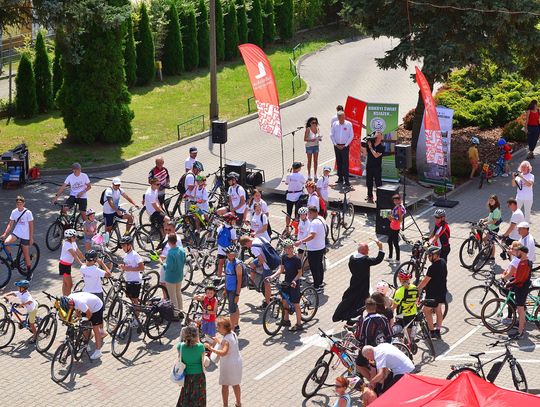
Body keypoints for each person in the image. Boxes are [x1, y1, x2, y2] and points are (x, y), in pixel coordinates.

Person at [333, 240, 384, 322]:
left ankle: (344, 315)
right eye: (367, 250)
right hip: (363, 286)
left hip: (354, 283)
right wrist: (380, 247)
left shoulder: (352, 258)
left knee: (350, 299)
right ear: (364, 251)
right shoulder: (365, 260)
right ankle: (356, 319)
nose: (368, 251)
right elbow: (378, 259)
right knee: (361, 303)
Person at [205, 317, 243, 407]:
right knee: (235, 384)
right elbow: (227, 346)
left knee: (224, 386)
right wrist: (218, 341)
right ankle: (238, 403)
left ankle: (225, 405)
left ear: (225, 328)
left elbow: (223, 352)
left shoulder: (226, 340)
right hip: (236, 362)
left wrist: (211, 349)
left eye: (219, 327)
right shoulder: (232, 334)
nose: (217, 328)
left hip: (229, 365)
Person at [268, 239, 304, 331]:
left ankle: (299, 324)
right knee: (284, 301)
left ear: (292, 247)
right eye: (286, 248)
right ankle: (286, 320)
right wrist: (272, 276)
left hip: (294, 283)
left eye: (290, 248)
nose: (288, 249)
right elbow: (281, 269)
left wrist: (294, 280)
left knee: (296, 304)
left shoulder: (297, 259)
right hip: (287, 282)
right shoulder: (284, 257)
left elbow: (300, 273)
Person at [354, 298, 392, 380]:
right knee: (382, 367)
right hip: (383, 348)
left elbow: (359, 337)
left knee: (358, 364)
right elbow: (389, 333)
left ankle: (372, 382)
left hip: (369, 350)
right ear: (375, 307)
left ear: (366, 308)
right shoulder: (383, 318)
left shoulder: (364, 320)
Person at [59, 292, 105, 359]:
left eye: (69, 308)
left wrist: (86, 321)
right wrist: (78, 315)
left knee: (95, 329)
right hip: (87, 306)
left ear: (70, 303)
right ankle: (86, 345)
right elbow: (76, 308)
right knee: (83, 327)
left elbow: (89, 314)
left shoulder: (80, 303)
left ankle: (98, 351)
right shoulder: (69, 299)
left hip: (96, 307)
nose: (70, 309)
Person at [417, 246, 448, 340]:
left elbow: (425, 281)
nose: (428, 257)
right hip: (442, 291)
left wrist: (417, 289)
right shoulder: (443, 262)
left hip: (432, 293)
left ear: (435, 255)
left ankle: (432, 332)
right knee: (438, 310)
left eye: (429, 255)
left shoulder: (432, 267)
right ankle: (438, 330)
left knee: (426, 311)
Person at [501, 244, 531, 339]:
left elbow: (519, 279)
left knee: (520, 310)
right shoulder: (528, 262)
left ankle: (520, 332)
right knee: (521, 310)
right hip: (524, 287)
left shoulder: (522, 264)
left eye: (517, 252)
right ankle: (522, 325)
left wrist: (509, 284)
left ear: (521, 252)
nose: (516, 253)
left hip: (521, 288)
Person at [294, 206, 327, 293]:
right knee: (319, 266)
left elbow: (312, 236)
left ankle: (317, 287)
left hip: (314, 249)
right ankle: (320, 283)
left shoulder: (314, 223)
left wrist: (301, 241)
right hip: (321, 246)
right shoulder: (321, 218)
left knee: (314, 268)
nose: (307, 215)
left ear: (312, 213)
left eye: (308, 213)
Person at [1, 196, 34, 277]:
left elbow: (31, 226)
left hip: (25, 234)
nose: (19, 205)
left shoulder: (28, 212)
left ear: (24, 203)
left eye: (21, 203)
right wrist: (5, 233)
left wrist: (31, 237)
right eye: (18, 203)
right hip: (17, 232)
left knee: (26, 254)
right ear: (16, 204)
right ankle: (10, 258)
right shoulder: (14, 212)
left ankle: (29, 273)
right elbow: (10, 224)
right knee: (6, 242)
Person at [240, 235, 275, 307]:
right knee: (252, 264)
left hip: (268, 264)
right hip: (273, 256)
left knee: (266, 283)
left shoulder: (253, 247)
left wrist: (260, 265)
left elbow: (261, 260)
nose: (248, 248)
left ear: (247, 243)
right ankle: (252, 282)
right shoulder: (260, 237)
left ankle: (267, 303)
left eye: (246, 246)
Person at [176, 326, 206, 407]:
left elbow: (180, 358)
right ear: (196, 335)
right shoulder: (200, 347)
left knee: (186, 395)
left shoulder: (180, 346)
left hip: (186, 375)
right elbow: (203, 360)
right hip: (199, 376)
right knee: (198, 397)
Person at [119, 236, 145, 322]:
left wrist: (128, 269)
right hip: (128, 279)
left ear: (129, 245)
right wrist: (122, 267)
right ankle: (137, 308)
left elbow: (141, 268)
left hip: (135, 280)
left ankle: (137, 319)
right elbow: (126, 266)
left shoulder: (135, 255)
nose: (122, 248)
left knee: (135, 301)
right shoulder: (126, 255)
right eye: (122, 246)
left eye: (124, 246)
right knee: (131, 298)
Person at [163, 234, 185, 319]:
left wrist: (163, 264)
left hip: (171, 278)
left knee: (172, 296)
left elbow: (169, 267)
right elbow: (184, 261)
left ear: (169, 242)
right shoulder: (181, 250)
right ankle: (181, 311)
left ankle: (175, 314)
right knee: (178, 293)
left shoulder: (171, 253)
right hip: (179, 276)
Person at [392, 271, 418, 342]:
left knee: (400, 331)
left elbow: (394, 306)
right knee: (409, 329)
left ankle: (403, 345)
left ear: (400, 280)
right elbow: (417, 300)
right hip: (412, 312)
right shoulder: (414, 287)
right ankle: (410, 343)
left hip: (402, 314)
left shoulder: (400, 291)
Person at [330, 110, 354, 186]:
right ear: (338, 117)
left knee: (345, 163)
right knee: (339, 162)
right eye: (340, 117)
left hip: (345, 146)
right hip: (337, 146)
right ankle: (340, 178)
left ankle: (346, 180)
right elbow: (331, 135)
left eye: (343, 117)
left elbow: (351, 135)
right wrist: (335, 144)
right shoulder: (335, 124)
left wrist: (346, 145)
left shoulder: (349, 124)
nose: (342, 119)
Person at [223, 246, 243, 335]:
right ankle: (236, 325)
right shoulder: (227, 261)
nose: (230, 256)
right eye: (228, 254)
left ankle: (231, 329)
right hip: (228, 288)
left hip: (234, 290)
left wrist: (237, 294)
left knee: (232, 311)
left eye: (232, 254)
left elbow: (239, 281)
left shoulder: (237, 265)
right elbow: (226, 275)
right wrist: (225, 287)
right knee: (235, 307)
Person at [59, 229, 84, 295]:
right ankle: (67, 298)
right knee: (69, 284)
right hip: (64, 266)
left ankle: (64, 297)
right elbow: (74, 255)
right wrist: (81, 263)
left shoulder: (73, 242)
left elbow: (78, 252)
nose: (76, 238)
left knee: (65, 283)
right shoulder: (67, 244)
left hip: (67, 265)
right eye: (74, 237)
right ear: (70, 238)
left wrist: (85, 259)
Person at [363, 131, 385, 203]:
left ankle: (380, 197)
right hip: (369, 166)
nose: (377, 138)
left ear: (381, 137)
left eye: (379, 136)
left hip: (377, 168)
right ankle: (370, 196)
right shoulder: (371, 144)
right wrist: (366, 146)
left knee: (378, 183)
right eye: (376, 136)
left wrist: (370, 148)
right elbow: (365, 154)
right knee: (369, 183)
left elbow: (376, 155)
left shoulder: (382, 147)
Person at [284, 162, 306, 228]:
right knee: (297, 214)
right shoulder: (300, 176)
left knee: (288, 213)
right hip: (298, 196)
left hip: (289, 196)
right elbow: (304, 182)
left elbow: (286, 183)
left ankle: (287, 226)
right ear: (298, 169)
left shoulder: (289, 175)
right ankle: (296, 228)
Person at [216, 213, 238, 277]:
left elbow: (218, 232)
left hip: (220, 248)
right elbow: (234, 239)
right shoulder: (232, 229)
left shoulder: (221, 226)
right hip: (228, 249)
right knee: (229, 263)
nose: (235, 221)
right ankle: (227, 277)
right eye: (234, 220)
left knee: (220, 263)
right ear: (229, 221)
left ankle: (219, 275)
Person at [386, 194, 405, 263]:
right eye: (394, 201)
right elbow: (394, 217)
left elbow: (400, 220)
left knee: (395, 243)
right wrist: (390, 216)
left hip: (395, 228)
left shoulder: (400, 208)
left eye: (396, 200)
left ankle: (397, 259)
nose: (395, 202)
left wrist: (391, 218)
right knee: (389, 241)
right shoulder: (397, 207)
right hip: (392, 226)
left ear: (399, 200)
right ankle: (390, 257)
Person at [482, 194, 502, 259]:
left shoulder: (496, 210)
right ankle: (488, 251)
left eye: (492, 201)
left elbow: (494, 221)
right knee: (486, 240)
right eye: (490, 200)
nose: (490, 202)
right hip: (490, 228)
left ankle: (492, 256)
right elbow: (490, 217)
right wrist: (484, 219)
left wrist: (486, 223)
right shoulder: (493, 208)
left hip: (494, 229)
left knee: (491, 242)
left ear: (495, 201)